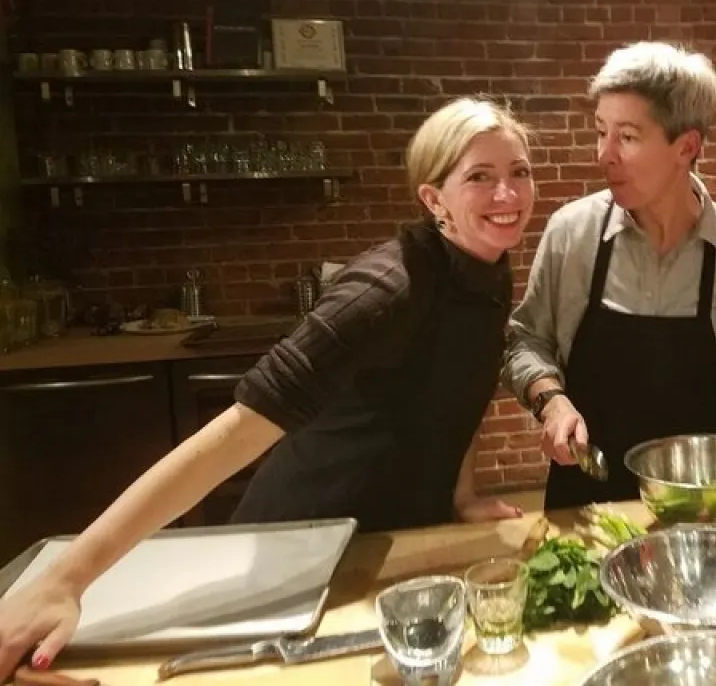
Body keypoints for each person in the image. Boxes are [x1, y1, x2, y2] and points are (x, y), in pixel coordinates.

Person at [0, 97, 537, 677]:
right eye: (480, 177)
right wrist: (65, 579)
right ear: (434, 200)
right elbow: (233, 436)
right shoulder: (386, 289)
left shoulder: (488, 269)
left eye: (519, 173)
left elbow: (464, 388)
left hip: (390, 539)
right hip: (302, 541)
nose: (506, 195)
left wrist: (462, 496)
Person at [504, 41, 716, 511]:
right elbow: (524, 340)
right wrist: (552, 402)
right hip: (583, 498)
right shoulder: (571, 235)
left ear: (687, 147)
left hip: (697, 502)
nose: (604, 155)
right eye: (601, 132)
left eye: (628, 137)